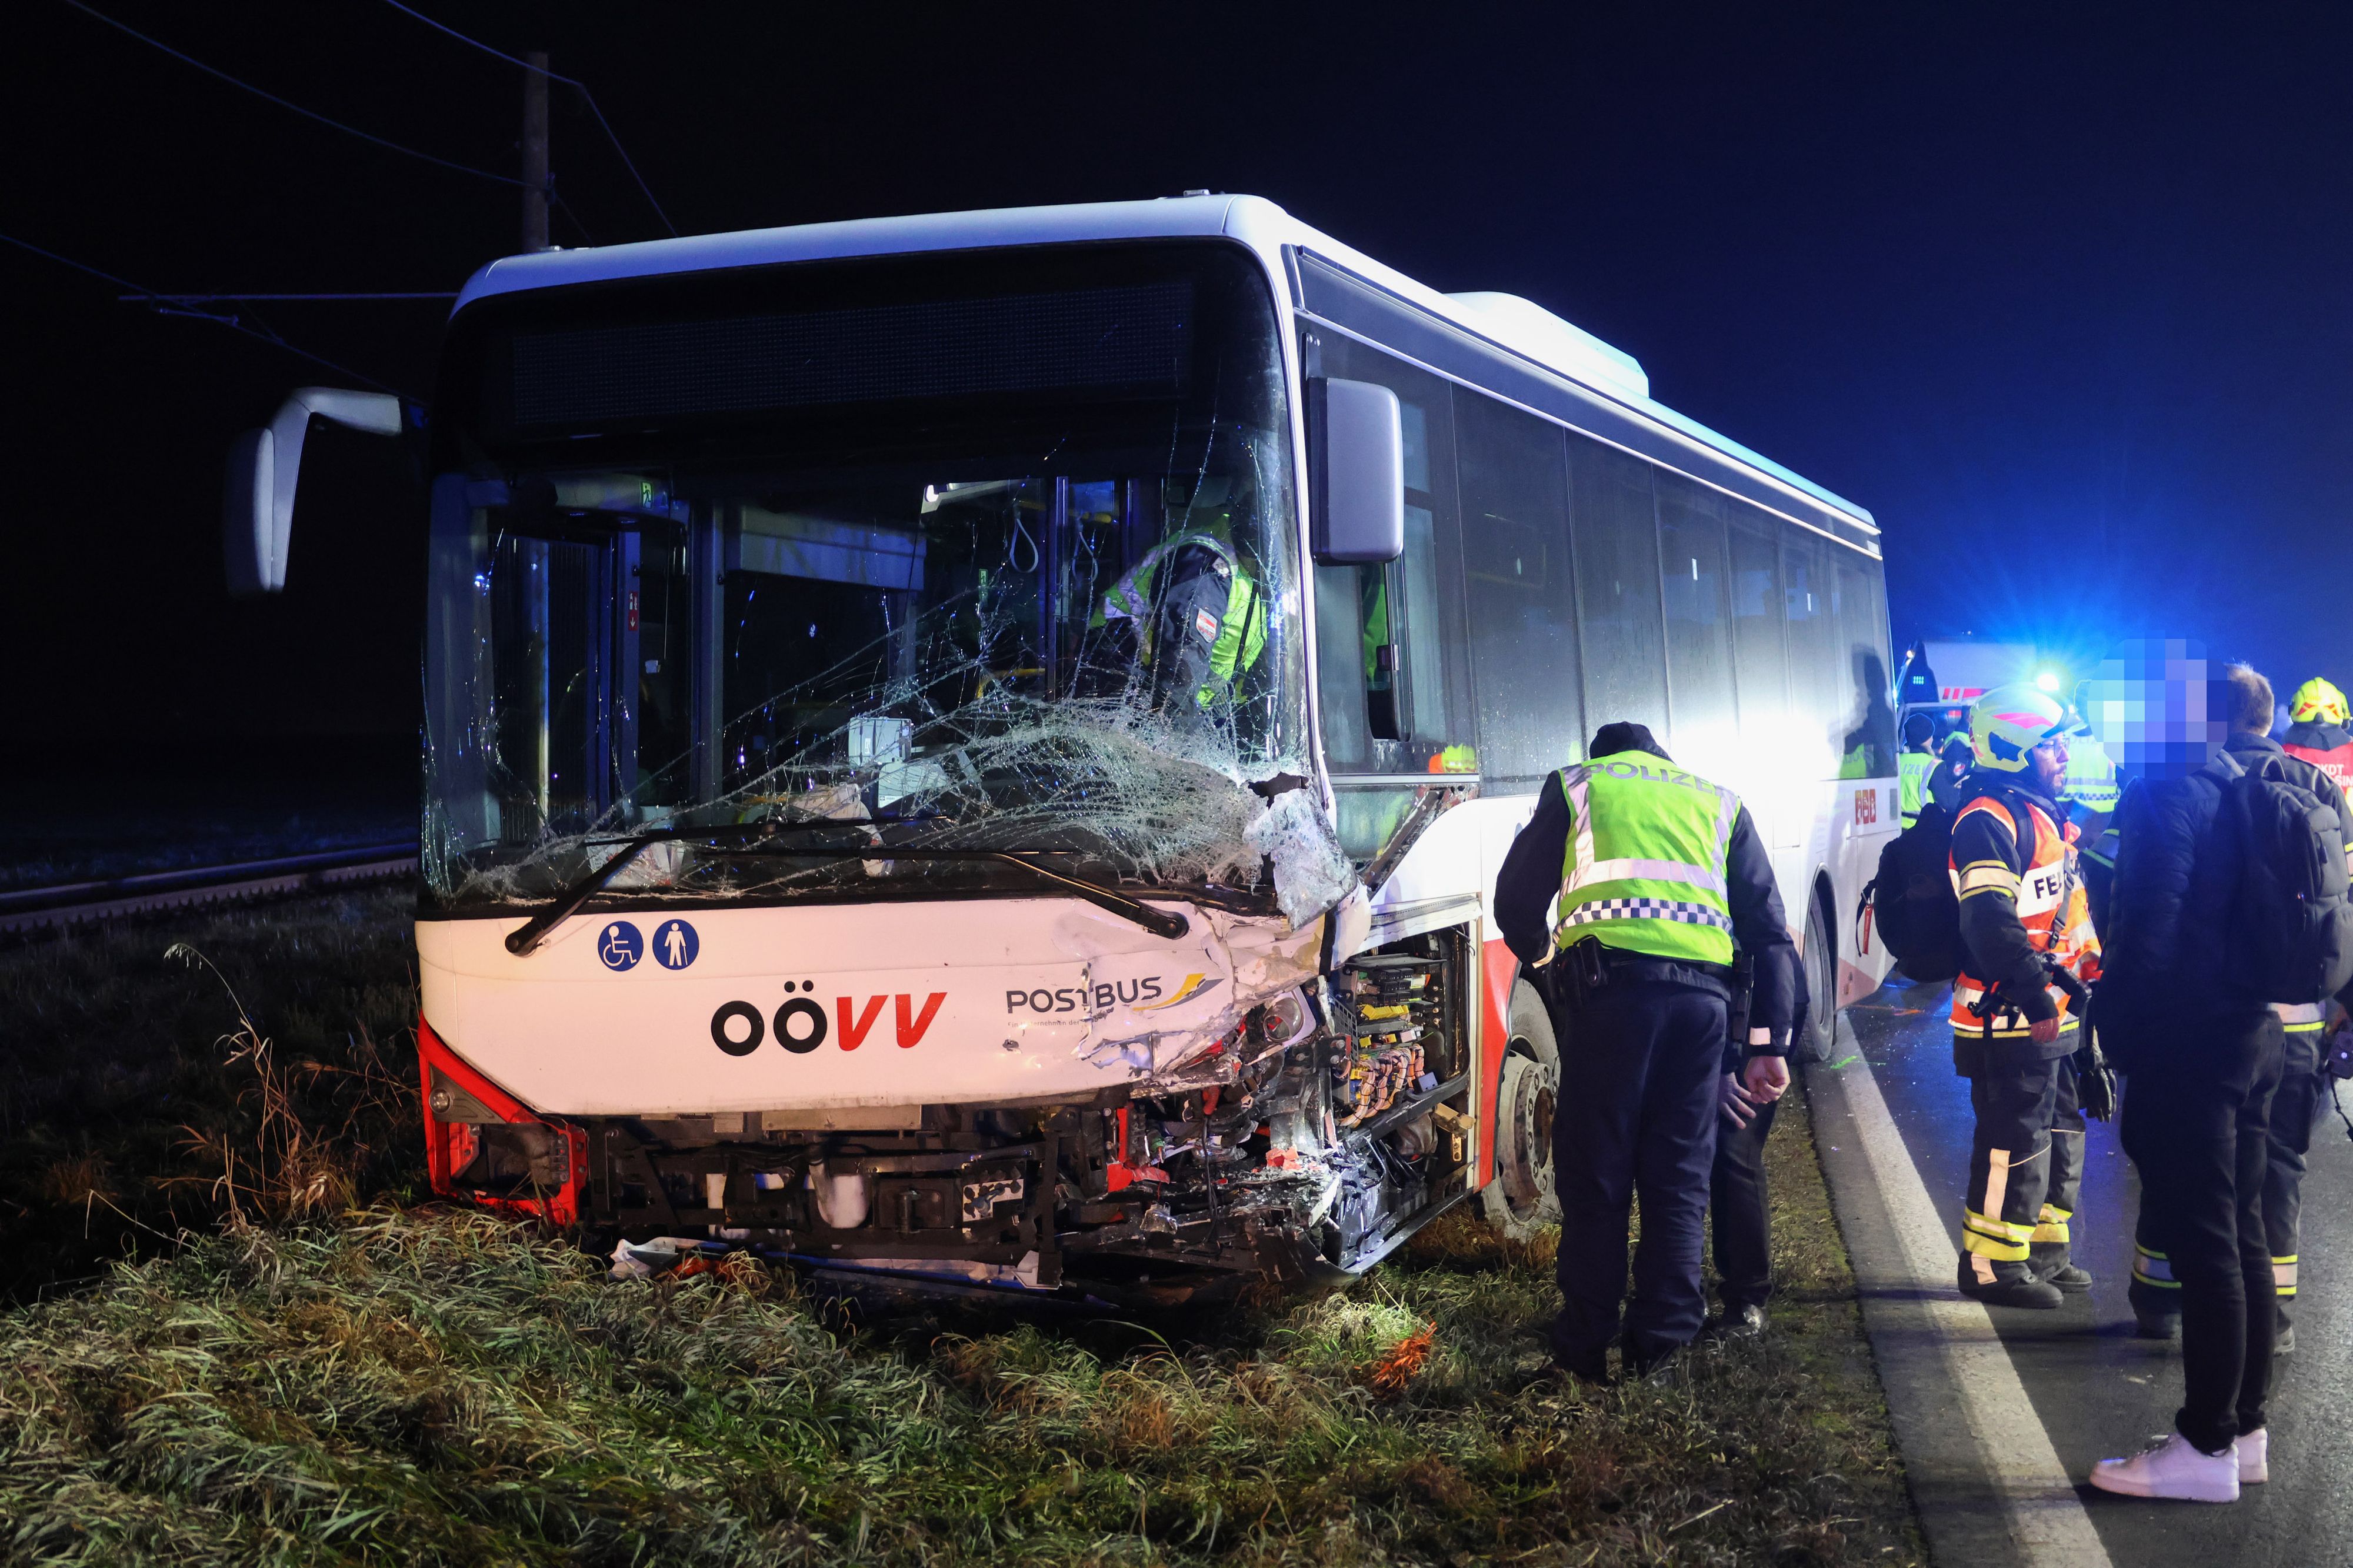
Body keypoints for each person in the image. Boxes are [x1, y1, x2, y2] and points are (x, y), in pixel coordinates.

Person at [2092, 661, 2335, 1502]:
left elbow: (2147, 923)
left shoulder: (2167, 794)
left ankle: (2202, 1447)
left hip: (2191, 1041)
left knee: (2206, 1249)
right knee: (2241, 1238)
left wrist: (2115, 1033)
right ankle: (2245, 1429)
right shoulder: (2241, 784)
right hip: (2255, 1032)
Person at [1494, 721, 1800, 1383]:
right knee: (1678, 1177)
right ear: (1661, 760)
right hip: (1701, 1013)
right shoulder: (1717, 801)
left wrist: (1552, 963)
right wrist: (1768, 1044)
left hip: (1609, 1004)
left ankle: (1584, 1348)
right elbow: (1771, 935)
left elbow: (1515, 904)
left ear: (1607, 757)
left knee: (1597, 1177)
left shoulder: (1580, 785)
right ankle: (1660, 1348)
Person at [1946, 685, 2101, 1309]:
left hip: (2054, 1010)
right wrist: (2038, 999)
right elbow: (1989, 919)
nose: (2064, 753)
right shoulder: (1986, 818)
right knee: (2013, 1139)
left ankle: (2042, 1251)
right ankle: (1989, 1265)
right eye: (2052, 743)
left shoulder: (2038, 810)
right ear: (2013, 749)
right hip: (2011, 1015)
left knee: (2061, 1131)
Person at [1898, 712, 1938, 828]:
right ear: (1926, 738)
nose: (1932, 739)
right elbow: (1949, 802)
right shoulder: (1933, 765)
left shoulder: (1896, 761)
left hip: (1895, 827)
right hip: (1922, 829)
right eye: (1931, 735)